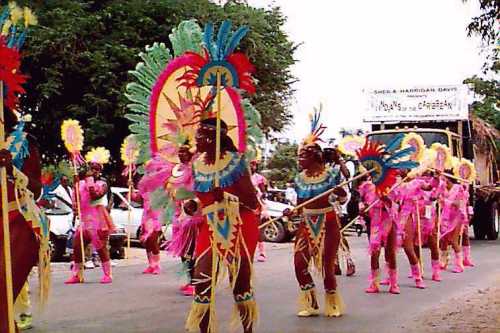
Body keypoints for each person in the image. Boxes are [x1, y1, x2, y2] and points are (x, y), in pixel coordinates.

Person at [186, 118, 260, 333]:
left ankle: (247, 330)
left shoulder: (236, 162)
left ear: (212, 138)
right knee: (201, 282)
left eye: (199, 135)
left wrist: (226, 196)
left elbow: (252, 202)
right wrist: (193, 204)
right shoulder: (197, 164)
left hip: (239, 224)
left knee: (240, 285)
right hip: (208, 226)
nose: (196, 140)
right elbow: (203, 199)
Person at [286, 110, 345, 318]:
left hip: (328, 221)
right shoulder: (299, 178)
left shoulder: (331, 175)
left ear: (315, 156)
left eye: (304, 155)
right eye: (299, 154)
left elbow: (343, 198)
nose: (300, 158)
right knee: (299, 264)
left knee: (328, 266)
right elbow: (301, 205)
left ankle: (332, 303)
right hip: (306, 221)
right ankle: (310, 303)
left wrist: (340, 193)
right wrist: (291, 212)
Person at [65, 154, 116, 284]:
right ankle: (77, 274)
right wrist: (76, 184)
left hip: (98, 219)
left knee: (100, 247)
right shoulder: (82, 183)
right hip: (84, 219)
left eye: (96, 168)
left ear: (100, 171)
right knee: (77, 245)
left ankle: (107, 274)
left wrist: (89, 180)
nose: (93, 171)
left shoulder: (102, 183)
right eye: (91, 168)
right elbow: (77, 199)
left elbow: (94, 195)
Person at [358, 176, 400, 294]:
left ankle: (393, 283)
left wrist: (386, 199)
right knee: (374, 252)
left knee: (390, 252)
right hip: (375, 222)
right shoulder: (367, 186)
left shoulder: (393, 186)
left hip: (389, 220)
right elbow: (361, 201)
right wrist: (363, 209)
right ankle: (374, 283)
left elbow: (396, 205)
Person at [250, 160, 268, 262]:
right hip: (245, 206)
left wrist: (259, 193)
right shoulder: (242, 177)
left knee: (257, 230)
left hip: (256, 207)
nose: (252, 167)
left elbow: (264, 194)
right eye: (250, 165)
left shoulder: (259, 178)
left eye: (254, 165)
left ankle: (262, 253)